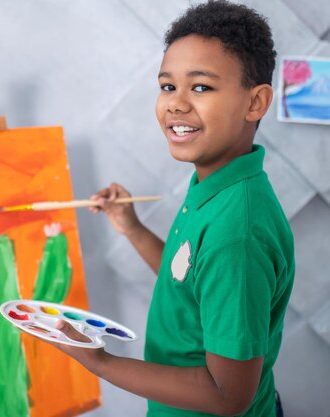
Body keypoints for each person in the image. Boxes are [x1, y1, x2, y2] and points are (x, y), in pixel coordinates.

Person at [51, 1, 295, 416]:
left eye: (201, 87)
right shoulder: (217, 184)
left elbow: (227, 396)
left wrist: (100, 362)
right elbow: (190, 276)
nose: (176, 104)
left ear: (255, 103)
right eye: (168, 86)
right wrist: (132, 228)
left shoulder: (237, 232)